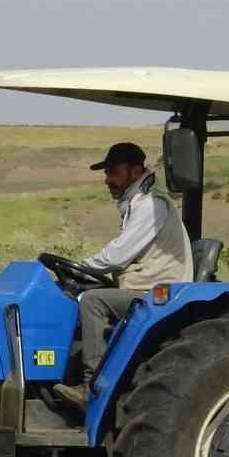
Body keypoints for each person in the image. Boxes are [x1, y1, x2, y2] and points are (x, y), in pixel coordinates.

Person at [52, 142, 191, 410]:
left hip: (157, 293)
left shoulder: (151, 205)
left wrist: (80, 266)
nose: (107, 179)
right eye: (107, 173)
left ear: (135, 170)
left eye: (113, 172)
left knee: (92, 301)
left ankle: (91, 388)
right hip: (146, 284)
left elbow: (117, 255)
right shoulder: (137, 204)